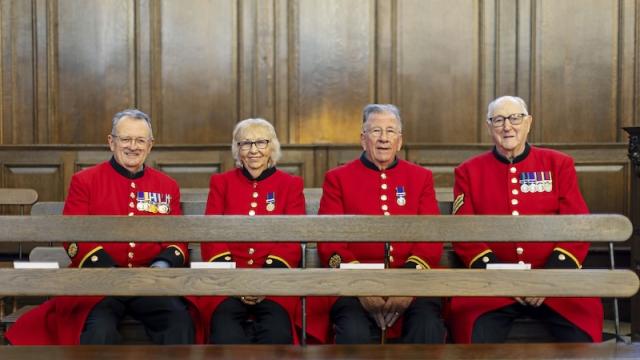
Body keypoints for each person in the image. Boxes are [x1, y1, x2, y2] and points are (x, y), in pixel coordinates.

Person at [6, 109, 200, 345]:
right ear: (111, 142)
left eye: (140, 140)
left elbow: (176, 238)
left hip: (150, 280)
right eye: (126, 139)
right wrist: (109, 272)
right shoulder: (85, 181)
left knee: (178, 322)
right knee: (99, 330)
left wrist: (161, 265)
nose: (133, 146)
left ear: (150, 145)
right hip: (99, 281)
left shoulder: (166, 185)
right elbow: (72, 235)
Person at [447, 95, 603, 343]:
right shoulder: (468, 171)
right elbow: (464, 236)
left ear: (528, 122)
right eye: (498, 120)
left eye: (515, 118)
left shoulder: (558, 164)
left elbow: (577, 225)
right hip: (493, 286)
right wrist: (507, 280)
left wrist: (546, 280)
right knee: (473, 334)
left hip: (555, 281)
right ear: (490, 127)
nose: (507, 126)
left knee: (581, 336)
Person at [302, 104, 446, 344]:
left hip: (413, 283)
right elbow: (330, 242)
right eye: (375, 131)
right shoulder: (338, 179)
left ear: (399, 141)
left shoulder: (421, 178)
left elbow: (430, 238)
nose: (383, 138)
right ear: (363, 139)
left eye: (391, 131)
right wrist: (363, 286)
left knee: (427, 325)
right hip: (352, 286)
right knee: (353, 331)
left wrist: (405, 285)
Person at [193, 118, 305, 344]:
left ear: (271, 147)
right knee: (225, 333)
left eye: (261, 143)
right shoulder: (221, 183)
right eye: (245, 144)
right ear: (237, 149)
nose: (254, 150)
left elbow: (292, 239)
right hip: (227, 284)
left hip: (274, 285)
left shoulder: (290, 185)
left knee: (277, 333)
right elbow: (211, 235)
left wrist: (263, 281)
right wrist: (237, 282)